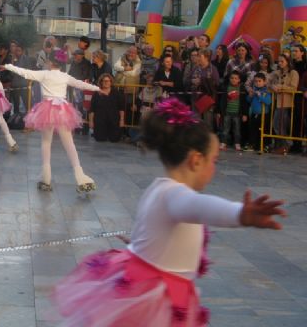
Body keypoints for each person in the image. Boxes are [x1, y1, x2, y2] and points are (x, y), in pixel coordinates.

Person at [53, 98, 285, 326]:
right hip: (153, 299)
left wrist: (141, 244)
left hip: (161, 285)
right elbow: (201, 207)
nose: (215, 167)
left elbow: (151, 230)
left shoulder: (159, 188)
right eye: (214, 160)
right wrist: (240, 214)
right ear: (196, 160)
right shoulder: (176, 195)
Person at [4, 49, 101, 192]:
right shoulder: (65, 76)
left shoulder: (44, 74)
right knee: (69, 144)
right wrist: (98, 88)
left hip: (47, 110)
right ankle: (80, 176)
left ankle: (46, 178)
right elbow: (80, 84)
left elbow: (25, 72)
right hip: (62, 110)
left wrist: (7, 66)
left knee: (46, 142)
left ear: (49, 62)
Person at [268, 54, 299, 155]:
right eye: (279, 61)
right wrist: (273, 86)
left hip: (286, 103)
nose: (280, 63)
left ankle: (286, 145)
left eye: (282, 61)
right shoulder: (277, 72)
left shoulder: (293, 73)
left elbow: (294, 88)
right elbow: (267, 81)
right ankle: (283, 145)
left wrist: (280, 87)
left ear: (287, 62)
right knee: (277, 124)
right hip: (277, 102)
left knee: (280, 125)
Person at [89, 73, 125, 143]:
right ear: (101, 82)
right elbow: (92, 109)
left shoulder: (117, 93)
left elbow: (121, 108)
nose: (106, 82)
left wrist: (122, 120)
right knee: (100, 139)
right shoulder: (96, 93)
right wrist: (91, 121)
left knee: (114, 139)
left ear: (111, 82)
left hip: (113, 121)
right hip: (100, 120)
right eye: (104, 81)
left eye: (108, 81)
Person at [217, 72, 247, 152]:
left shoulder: (241, 89)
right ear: (229, 79)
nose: (234, 80)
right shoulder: (225, 88)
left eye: (236, 78)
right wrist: (219, 112)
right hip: (227, 112)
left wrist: (244, 114)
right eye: (232, 78)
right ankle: (223, 142)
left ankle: (237, 143)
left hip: (237, 113)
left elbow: (244, 103)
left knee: (237, 129)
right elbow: (221, 101)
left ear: (239, 80)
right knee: (225, 129)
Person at [246, 72, 272, 152]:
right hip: (254, 114)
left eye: (259, 81)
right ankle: (253, 145)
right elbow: (248, 100)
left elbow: (268, 102)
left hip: (264, 115)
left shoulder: (266, 92)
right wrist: (250, 96)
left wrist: (260, 96)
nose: (257, 83)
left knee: (264, 130)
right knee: (253, 129)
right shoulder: (253, 90)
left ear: (264, 82)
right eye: (256, 81)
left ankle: (265, 146)